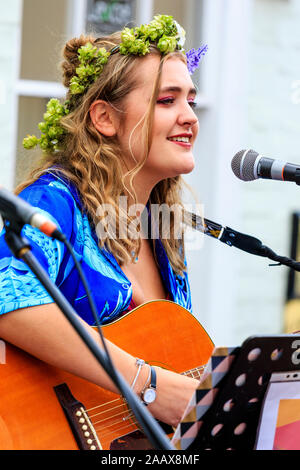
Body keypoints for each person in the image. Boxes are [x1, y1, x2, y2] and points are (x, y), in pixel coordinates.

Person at [0, 15, 208, 436]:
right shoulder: (54, 203)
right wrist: (146, 384)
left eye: (191, 99)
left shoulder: (161, 229)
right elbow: (6, 296)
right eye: (167, 101)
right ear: (104, 119)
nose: (189, 116)